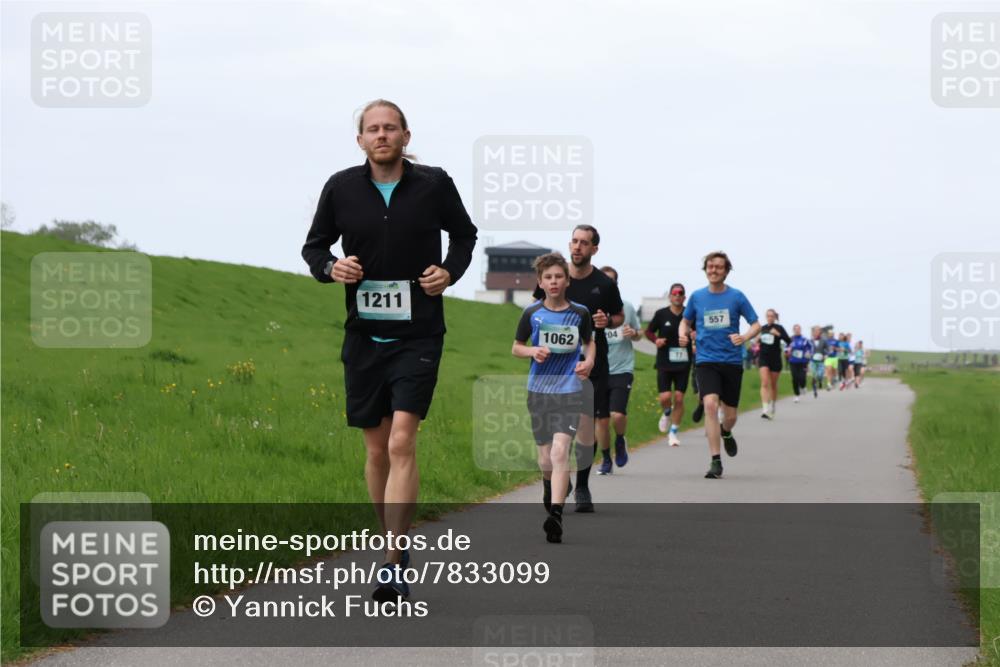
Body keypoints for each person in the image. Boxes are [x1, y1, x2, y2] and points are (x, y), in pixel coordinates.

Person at [301, 99, 477, 602]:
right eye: (372, 129)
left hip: (419, 332)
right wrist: (331, 267)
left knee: (402, 443)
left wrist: (450, 271)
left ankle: (394, 559)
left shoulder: (433, 184)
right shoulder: (340, 188)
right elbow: (314, 247)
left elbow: (464, 235)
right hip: (363, 335)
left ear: (405, 135)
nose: (382, 135)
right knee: (376, 450)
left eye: (390, 128)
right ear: (360, 140)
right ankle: (390, 544)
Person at [533, 225, 624, 512]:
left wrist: (606, 322)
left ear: (594, 248)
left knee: (585, 426)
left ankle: (582, 484)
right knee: (554, 435)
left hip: (589, 365)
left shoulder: (605, 284)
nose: (577, 247)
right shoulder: (556, 276)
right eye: (574, 241)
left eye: (584, 243)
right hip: (553, 368)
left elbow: (619, 316)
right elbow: (537, 308)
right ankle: (560, 476)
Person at [513, 253, 595, 543]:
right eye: (548, 277)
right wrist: (533, 351)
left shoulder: (580, 313)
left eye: (559, 276)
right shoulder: (532, 313)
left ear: (567, 280)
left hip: (570, 391)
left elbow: (589, 343)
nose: (554, 281)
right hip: (539, 391)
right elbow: (516, 347)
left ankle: (556, 515)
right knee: (546, 458)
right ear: (540, 282)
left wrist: (589, 362)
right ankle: (550, 486)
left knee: (561, 451)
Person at [679, 251, 761, 479]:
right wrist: (683, 334)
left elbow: (756, 324)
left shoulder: (737, 297)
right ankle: (716, 461)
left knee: (731, 415)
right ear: (705, 269)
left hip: (732, 361)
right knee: (711, 406)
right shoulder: (697, 297)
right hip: (706, 360)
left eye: (718, 267)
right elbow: (685, 321)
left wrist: (744, 337)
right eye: (710, 266)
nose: (713, 270)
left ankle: (726, 431)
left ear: (726, 271)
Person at [598, 266, 642, 473]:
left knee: (617, 415)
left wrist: (633, 332)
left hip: (622, 368)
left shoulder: (627, 307)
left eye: (612, 281)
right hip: (598, 370)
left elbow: (639, 334)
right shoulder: (590, 307)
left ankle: (620, 440)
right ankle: (606, 459)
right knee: (602, 420)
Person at [645, 283, 694, 447]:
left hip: (683, 363)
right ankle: (667, 412)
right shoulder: (661, 314)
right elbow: (649, 331)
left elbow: (698, 332)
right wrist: (656, 340)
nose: (677, 296)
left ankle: (673, 432)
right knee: (665, 397)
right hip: (664, 361)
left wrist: (693, 335)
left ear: (684, 297)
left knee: (679, 398)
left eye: (681, 294)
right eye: (674, 293)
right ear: (670, 296)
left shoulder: (690, 315)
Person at [757, 309, 791, 419]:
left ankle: (772, 405)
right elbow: (756, 341)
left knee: (773, 384)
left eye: (772, 316)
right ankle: (765, 409)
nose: (770, 318)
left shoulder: (779, 328)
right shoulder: (762, 328)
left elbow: (789, 341)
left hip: (775, 359)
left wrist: (779, 335)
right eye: (768, 316)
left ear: (775, 317)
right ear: (766, 317)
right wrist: (757, 339)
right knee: (765, 382)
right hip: (763, 358)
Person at [786, 324, 812, 403]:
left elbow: (810, 348)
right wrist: (788, 351)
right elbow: (786, 349)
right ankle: (796, 395)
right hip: (793, 361)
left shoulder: (805, 339)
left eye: (798, 329)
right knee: (795, 378)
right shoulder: (790, 339)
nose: (797, 330)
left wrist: (808, 352)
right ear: (793, 330)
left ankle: (803, 386)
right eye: (795, 329)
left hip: (803, 362)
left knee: (802, 378)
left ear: (800, 330)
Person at [809, 325, 826, 398]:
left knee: (819, 375)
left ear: (820, 332)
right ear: (813, 332)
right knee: (813, 376)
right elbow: (806, 349)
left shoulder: (823, 341)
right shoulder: (810, 341)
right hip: (813, 361)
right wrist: (807, 354)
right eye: (815, 331)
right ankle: (814, 390)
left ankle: (820, 380)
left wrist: (826, 355)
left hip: (821, 361)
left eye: (818, 331)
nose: (816, 332)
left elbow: (829, 349)